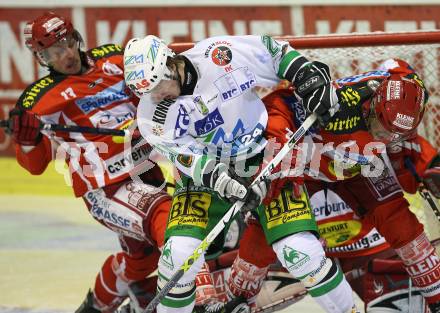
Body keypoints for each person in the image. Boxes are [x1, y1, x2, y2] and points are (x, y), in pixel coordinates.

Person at [124, 35, 359, 313]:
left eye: (157, 86)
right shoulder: (152, 112)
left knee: (302, 253)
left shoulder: (219, 55)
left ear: (169, 66)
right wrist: (224, 180)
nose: (155, 97)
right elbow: (188, 159)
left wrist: (304, 72)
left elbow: (275, 51)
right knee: (177, 256)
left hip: (263, 156)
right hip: (206, 176)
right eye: (146, 92)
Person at [226, 58, 440, 312]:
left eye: (397, 135)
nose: (387, 139)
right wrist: (277, 146)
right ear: (370, 108)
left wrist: (430, 161)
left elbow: (398, 65)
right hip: (307, 163)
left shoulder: (401, 96)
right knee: (267, 230)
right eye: (382, 130)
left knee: (400, 221)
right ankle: (235, 300)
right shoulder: (339, 108)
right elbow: (279, 104)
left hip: (358, 165)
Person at [8, 12, 173, 313]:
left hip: (146, 171)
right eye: (54, 52)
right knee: (170, 222)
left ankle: (98, 306)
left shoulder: (114, 57)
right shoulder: (38, 100)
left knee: (143, 258)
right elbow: (34, 165)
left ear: (76, 37)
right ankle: (199, 292)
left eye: (68, 43)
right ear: (41, 57)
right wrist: (27, 140)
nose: (67, 55)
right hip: (105, 188)